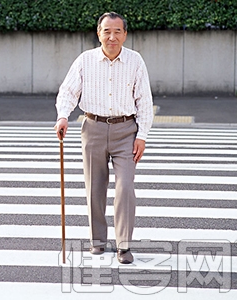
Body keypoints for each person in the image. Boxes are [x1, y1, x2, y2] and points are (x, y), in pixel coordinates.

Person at [54, 12, 153, 264]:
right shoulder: (85, 60)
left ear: (125, 35)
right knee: (94, 188)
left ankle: (124, 245)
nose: (112, 36)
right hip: (93, 128)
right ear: (99, 33)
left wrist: (142, 135)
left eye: (117, 31)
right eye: (107, 31)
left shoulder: (135, 61)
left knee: (125, 187)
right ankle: (97, 240)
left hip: (125, 130)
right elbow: (68, 91)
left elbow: (144, 101)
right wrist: (63, 116)